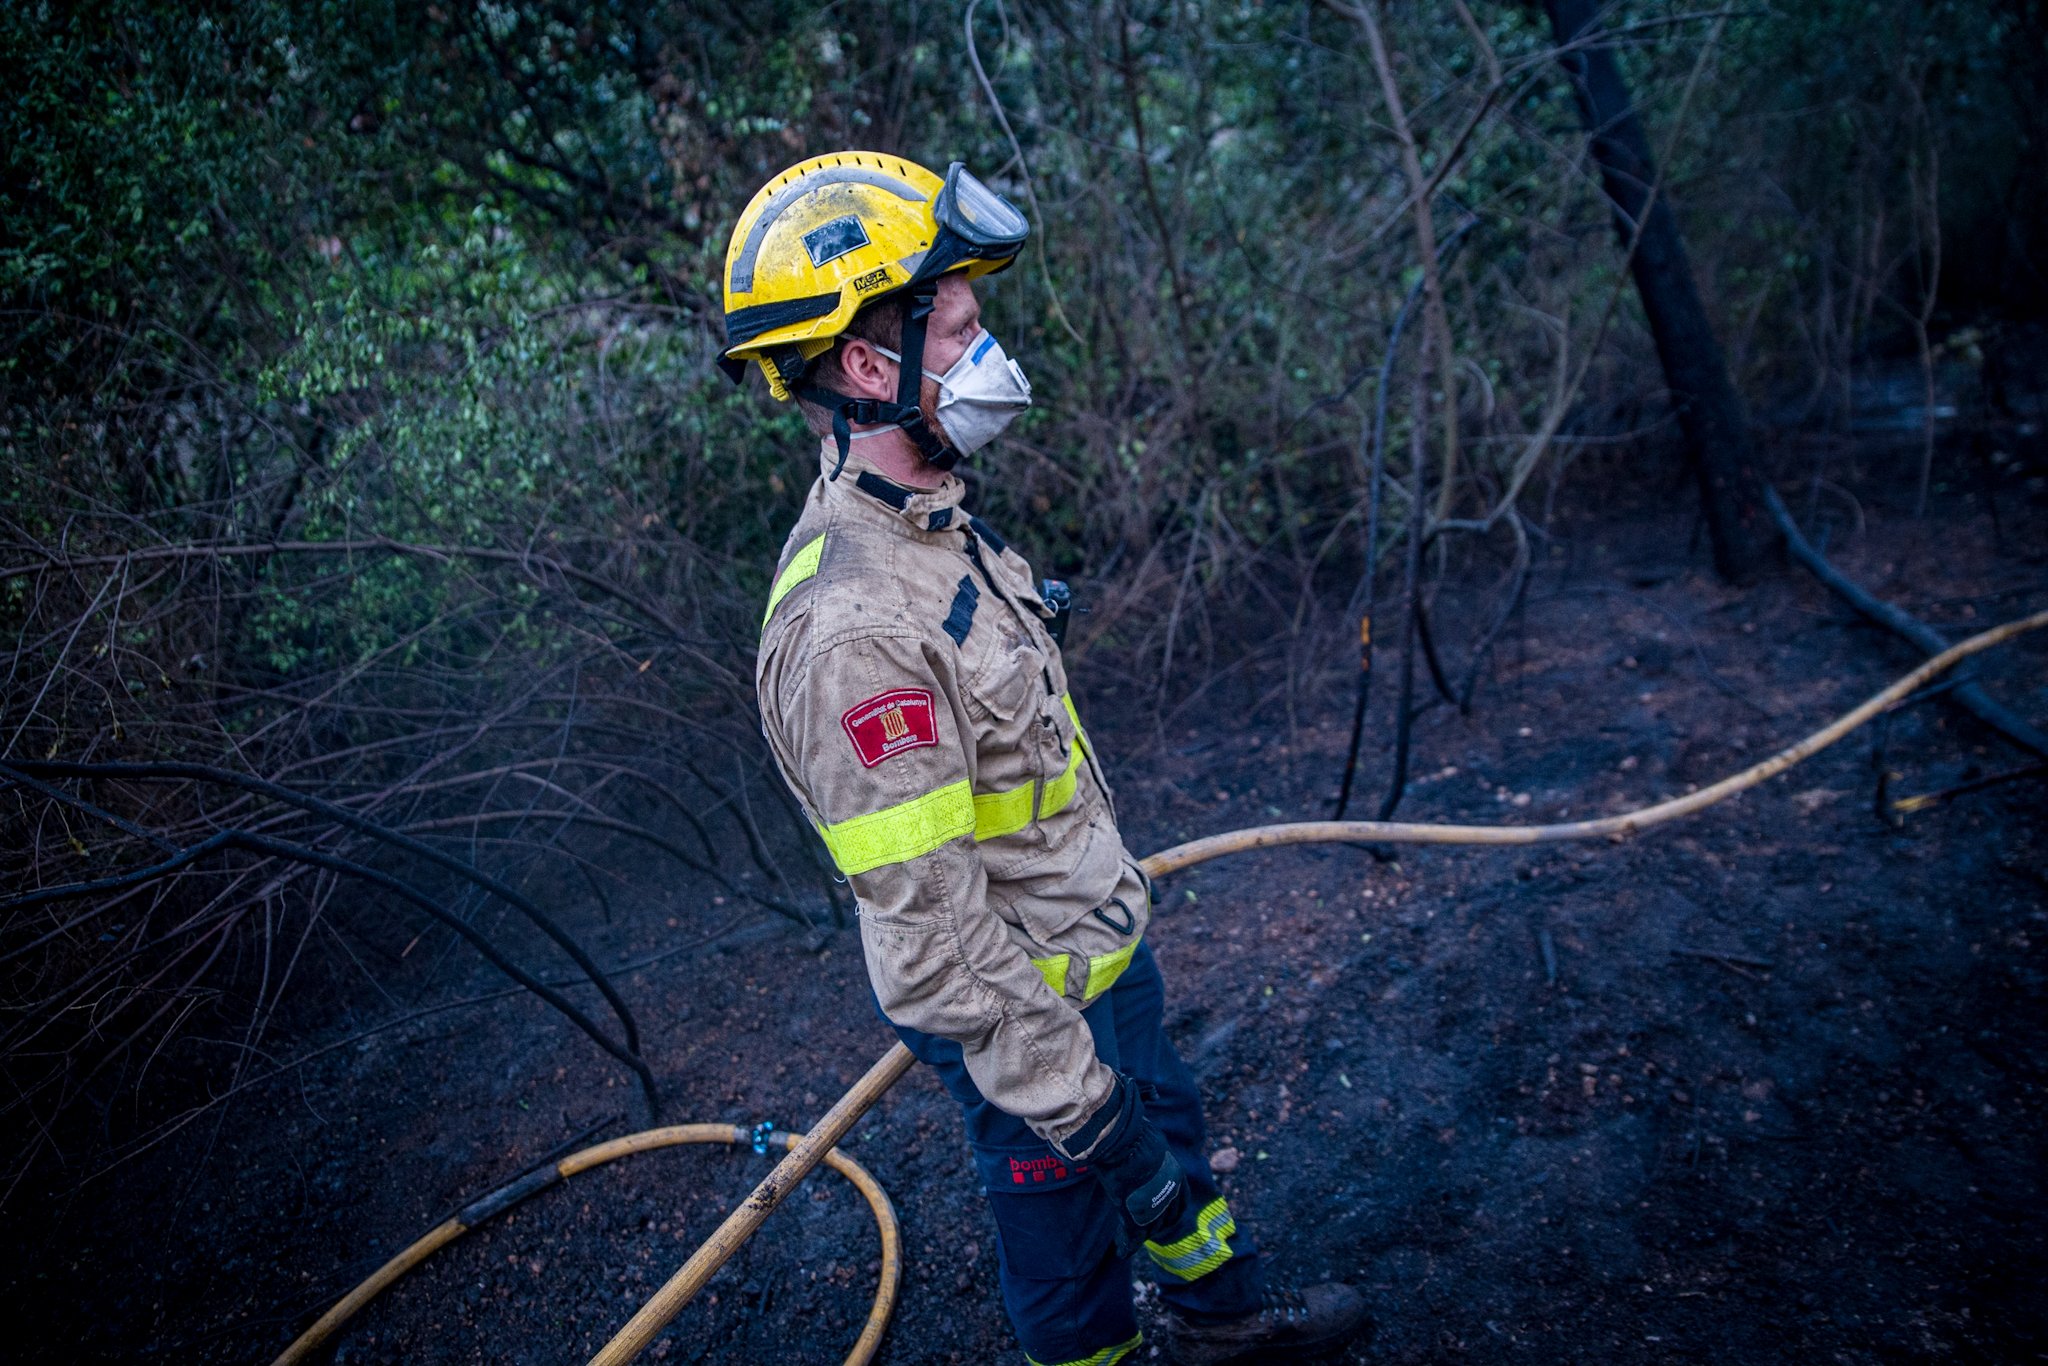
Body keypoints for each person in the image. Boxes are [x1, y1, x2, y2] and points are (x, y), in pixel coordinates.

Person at [725, 151, 1369, 1366]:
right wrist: (1074, 1100)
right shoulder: (852, 633)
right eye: (962, 327)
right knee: (1070, 1243)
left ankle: (1227, 1328)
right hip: (1028, 1031)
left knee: (1174, 1165)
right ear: (869, 365)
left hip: (1095, 952)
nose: (991, 354)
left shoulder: (932, 523)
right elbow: (930, 935)